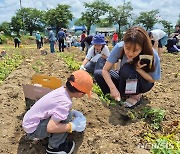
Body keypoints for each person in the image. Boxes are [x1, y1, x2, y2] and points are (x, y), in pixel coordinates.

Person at [22, 70, 93, 154]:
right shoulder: (65, 103)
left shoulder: (61, 90)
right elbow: (51, 128)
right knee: (67, 117)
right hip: (33, 130)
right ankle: (55, 147)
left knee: (66, 114)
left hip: (29, 123)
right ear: (80, 94)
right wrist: (72, 126)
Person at [94, 26, 161, 108]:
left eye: (135, 50)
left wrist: (137, 68)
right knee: (98, 74)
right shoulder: (119, 47)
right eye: (127, 48)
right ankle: (119, 95)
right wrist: (112, 89)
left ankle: (134, 95)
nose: (130, 53)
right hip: (124, 78)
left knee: (127, 69)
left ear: (142, 47)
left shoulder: (152, 54)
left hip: (143, 83)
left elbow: (152, 79)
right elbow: (105, 70)